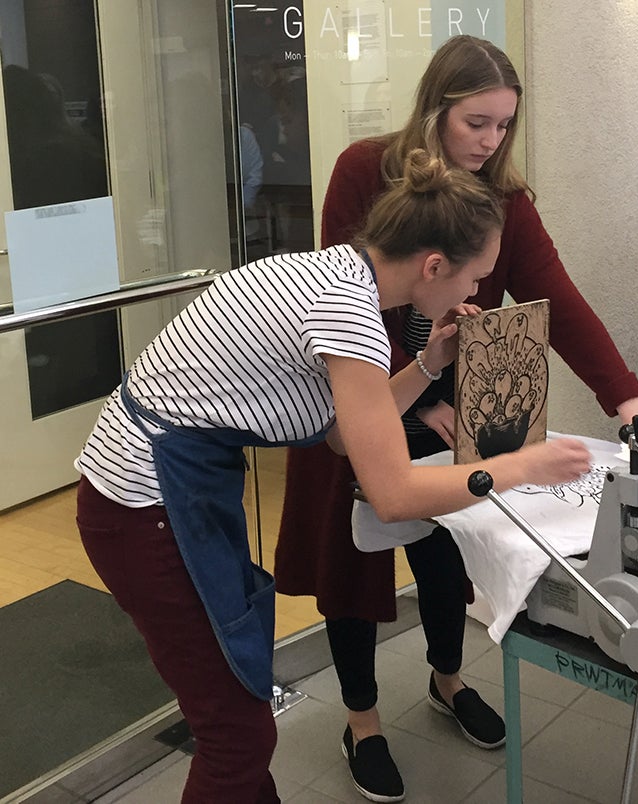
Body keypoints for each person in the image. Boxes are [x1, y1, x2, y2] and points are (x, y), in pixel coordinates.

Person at [73, 149, 592, 804]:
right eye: (473, 281)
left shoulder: (335, 276)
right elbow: (394, 492)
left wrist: (430, 362)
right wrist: (520, 467)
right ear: (433, 267)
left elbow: (345, 434)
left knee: (239, 717)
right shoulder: (348, 315)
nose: (474, 298)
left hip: (167, 490)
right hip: (142, 504)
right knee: (237, 734)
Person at [275, 34, 638, 802]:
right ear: (435, 108)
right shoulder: (366, 171)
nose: (488, 143)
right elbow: (345, 305)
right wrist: (423, 395)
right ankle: (361, 722)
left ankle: (447, 681)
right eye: (475, 123)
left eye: (502, 127)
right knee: (354, 563)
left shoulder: (507, 201)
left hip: (442, 396)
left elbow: (557, 299)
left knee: (449, 556)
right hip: (362, 397)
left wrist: (624, 394)